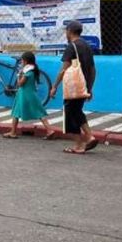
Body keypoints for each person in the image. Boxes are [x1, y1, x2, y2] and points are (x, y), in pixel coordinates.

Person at [50, 21, 97, 154]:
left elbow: (63, 70)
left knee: (70, 114)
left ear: (70, 31)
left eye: (66, 31)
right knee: (77, 112)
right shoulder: (87, 46)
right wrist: (89, 87)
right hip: (84, 86)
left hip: (73, 88)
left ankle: (79, 145)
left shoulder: (72, 47)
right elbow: (93, 69)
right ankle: (89, 137)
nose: (66, 33)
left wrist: (54, 86)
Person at [4, 51, 57, 140]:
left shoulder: (27, 72)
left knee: (16, 113)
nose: (21, 63)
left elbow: (20, 84)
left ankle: (13, 132)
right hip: (31, 93)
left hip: (24, 94)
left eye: (22, 61)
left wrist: (19, 75)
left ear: (25, 61)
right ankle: (49, 130)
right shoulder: (33, 70)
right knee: (39, 113)